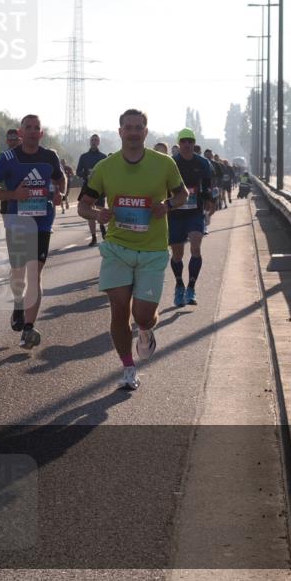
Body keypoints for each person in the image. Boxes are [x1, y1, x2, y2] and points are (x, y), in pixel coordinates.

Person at [77, 109, 186, 390]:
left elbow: (182, 194)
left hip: (153, 251)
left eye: (139, 127)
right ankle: (128, 366)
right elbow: (82, 205)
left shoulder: (164, 164)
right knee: (119, 310)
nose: (134, 132)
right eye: (129, 127)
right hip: (117, 248)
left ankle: (147, 331)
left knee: (142, 316)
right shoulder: (105, 167)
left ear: (146, 132)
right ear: (120, 132)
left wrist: (168, 205)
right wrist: (97, 213)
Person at [0, 114, 65, 350]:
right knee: (19, 273)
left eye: (36, 128)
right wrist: (13, 195)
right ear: (20, 133)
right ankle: (18, 303)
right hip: (17, 222)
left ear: (41, 133)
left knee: (35, 274)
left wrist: (61, 192)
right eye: (27, 128)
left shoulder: (50, 156)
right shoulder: (9, 158)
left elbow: (62, 180)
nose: (32, 131)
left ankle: (29, 328)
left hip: (42, 222)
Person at [168, 129, 214, 308]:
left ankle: (191, 288)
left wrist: (211, 200)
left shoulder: (202, 162)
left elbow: (208, 185)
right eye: (184, 141)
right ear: (179, 144)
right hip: (175, 214)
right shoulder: (172, 163)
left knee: (196, 248)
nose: (187, 144)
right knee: (177, 254)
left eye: (190, 141)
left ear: (194, 144)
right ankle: (179, 285)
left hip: (195, 212)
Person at [76, 134, 108, 246]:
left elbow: (108, 172)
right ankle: (94, 237)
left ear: (99, 142)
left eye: (96, 140)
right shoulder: (84, 156)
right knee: (88, 212)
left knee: (100, 209)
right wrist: (87, 174)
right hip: (87, 187)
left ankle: (102, 227)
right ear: (90, 142)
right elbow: (78, 171)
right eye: (92, 140)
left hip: (100, 188)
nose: (94, 142)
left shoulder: (103, 157)